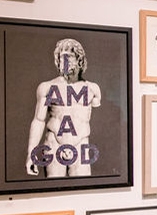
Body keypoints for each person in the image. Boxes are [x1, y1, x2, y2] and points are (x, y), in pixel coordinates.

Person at [26, 38, 102, 177]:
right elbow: (38, 120)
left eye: (70, 56)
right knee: (54, 190)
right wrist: (32, 153)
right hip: (54, 143)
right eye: (62, 57)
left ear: (80, 60)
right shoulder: (47, 87)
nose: (66, 61)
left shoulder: (92, 89)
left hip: (80, 144)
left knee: (83, 191)